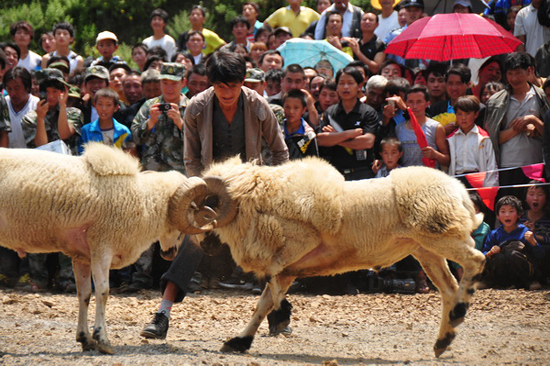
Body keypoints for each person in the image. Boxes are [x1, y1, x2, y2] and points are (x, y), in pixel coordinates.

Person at [140, 52, 288, 339]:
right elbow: (191, 159)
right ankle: (162, 314)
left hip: (250, 188)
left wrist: (273, 187)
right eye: (220, 87)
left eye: (232, 86)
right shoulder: (196, 107)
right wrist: (201, 191)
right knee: (192, 245)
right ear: (212, 84)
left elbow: (280, 150)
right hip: (211, 189)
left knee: (266, 250)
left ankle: (279, 315)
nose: (227, 93)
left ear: (243, 82)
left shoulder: (259, 105)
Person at [484, 52, 550, 191]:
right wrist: (518, 128)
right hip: (507, 166)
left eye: (519, 73)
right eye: (510, 74)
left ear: (529, 71)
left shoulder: (543, 97)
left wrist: (533, 120)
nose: (514, 78)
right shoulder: (496, 102)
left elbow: (548, 135)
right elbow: (492, 139)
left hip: (537, 165)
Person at [317, 66, 378, 180]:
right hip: (335, 173)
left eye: (350, 83)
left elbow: (367, 142)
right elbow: (321, 140)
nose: (345, 87)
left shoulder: (368, 112)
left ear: (359, 86)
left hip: (363, 172)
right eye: (341, 83)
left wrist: (335, 138)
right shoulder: (330, 112)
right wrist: (349, 134)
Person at [131, 62, 188, 173]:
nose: (169, 88)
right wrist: (150, 123)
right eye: (165, 83)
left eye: (174, 83)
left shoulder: (191, 108)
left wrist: (180, 123)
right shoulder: (149, 105)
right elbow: (135, 139)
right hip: (151, 172)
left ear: (183, 83)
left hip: (179, 174)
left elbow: (199, 142)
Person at [482, 195, 544, 290]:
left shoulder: (525, 232)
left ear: (518, 214)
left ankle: (530, 281)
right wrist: (490, 253)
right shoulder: (494, 234)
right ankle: (494, 283)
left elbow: (540, 255)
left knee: (513, 254)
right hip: (502, 273)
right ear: (498, 216)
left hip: (520, 273)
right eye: (503, 211)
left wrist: (533, 242)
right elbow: (483, 255)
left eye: (511, 211)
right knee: (499, 257)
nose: (507, 215)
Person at [21, 68, 82, 151]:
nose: (50, 96)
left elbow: (64, 135)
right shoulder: (30, 118)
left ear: (62, 91)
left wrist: (63, 106)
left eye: (54, 91)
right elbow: (42, 145)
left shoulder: (74, 113)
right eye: (46, 92)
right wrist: (40, 118)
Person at [393, 85, 450, 169]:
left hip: (429, 177)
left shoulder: (436, 128)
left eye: (419, 102)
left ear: (427, 104)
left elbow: (447, 160)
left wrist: (435, 155)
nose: (415, 106)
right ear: (406, 103)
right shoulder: (399, 128)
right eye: (411, 102)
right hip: (406, 178)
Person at [447, 96, 498, 187]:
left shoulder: (484, 137)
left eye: (467, 114)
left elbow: (491, 164)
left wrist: (490, 186)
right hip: (457, 180)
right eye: (459, 114)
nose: (463, 118)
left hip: (478, 179)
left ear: (476, 114)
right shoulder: (451, 138)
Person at [77, 87, 135, 156]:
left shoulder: (123, 131)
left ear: (116, 108)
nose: (104, 109)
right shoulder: (86, 130)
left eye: (108, 105)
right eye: (100, 104)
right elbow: (81, 154)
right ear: (95, 106)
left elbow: (128, 156)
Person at [4, 67, 39, 148]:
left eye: (17, 88)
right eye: (9, 89)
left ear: (27, 87)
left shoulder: (37, 106)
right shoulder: (3, 104)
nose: (13, 93)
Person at [522, 182, 550, 280]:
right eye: (531, 194)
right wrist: (522, 230)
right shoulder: (519, 216)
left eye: (540, 195)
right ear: (525, 197)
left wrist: (534, 236)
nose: (535, 198)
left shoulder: (548, 218)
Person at [282, 89, 319, 159]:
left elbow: (313, 162)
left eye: (296, 108)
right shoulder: (277, 128)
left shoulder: (308, 135)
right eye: (287, 107)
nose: (291, 111)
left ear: (303, 110)